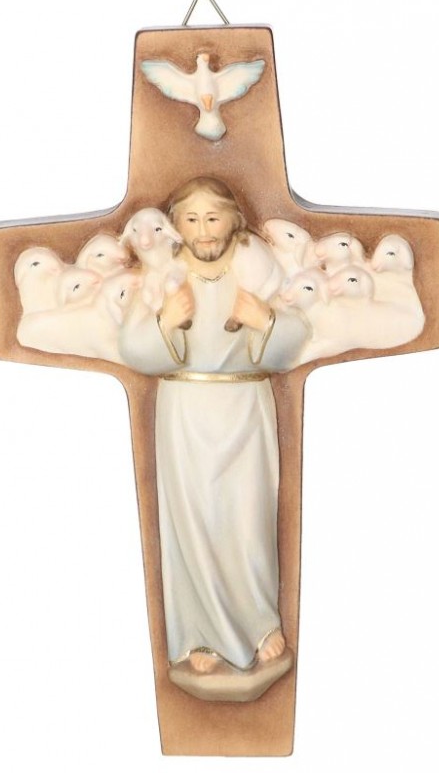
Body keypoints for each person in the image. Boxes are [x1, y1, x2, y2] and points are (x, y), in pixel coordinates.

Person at [119, 177, 309, 674]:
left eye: (213, 218)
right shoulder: (165, 274)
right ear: (175, 227)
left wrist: (266, 320)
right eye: (192, 219)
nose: (203, 231)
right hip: (185, 412)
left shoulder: (254, 265)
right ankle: (200, 634)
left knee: (249, 517)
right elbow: (132, 346)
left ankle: (260, 622)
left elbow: (298, 332)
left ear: (233, 220)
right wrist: (164, 322)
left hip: (246, 408)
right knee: (194, 521)